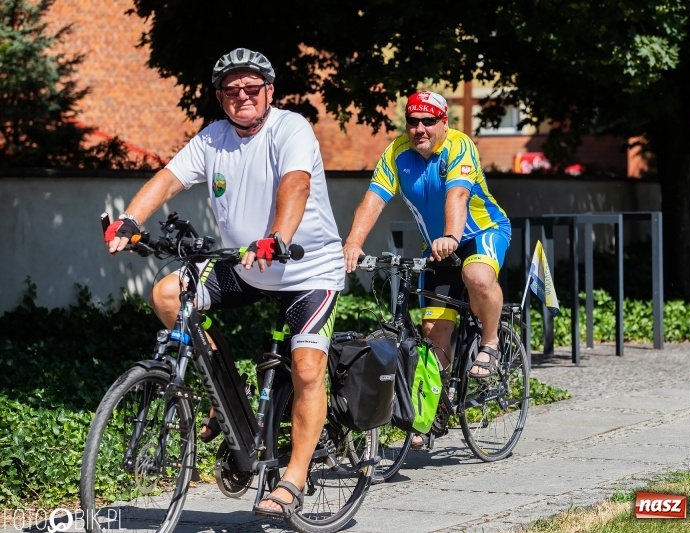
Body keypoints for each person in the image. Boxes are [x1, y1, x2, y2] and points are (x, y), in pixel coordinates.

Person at [104, 47, 344, 519]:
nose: (242, 96)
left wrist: (278, 237)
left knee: (308, 368)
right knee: (167, 293)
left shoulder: (290, 128)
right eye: (232, 90)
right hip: (245, 263)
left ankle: (293, 478)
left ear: (269, 91)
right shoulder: (213, 139)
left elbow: (295, 185)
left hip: (306, 266)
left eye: (252, 88)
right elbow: (169, 180)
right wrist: (129, 220)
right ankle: (224, 396)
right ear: (220, 97)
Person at [342, 90, 512, 447]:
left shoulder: (459, 145)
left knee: (477, 276)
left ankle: (492, 340)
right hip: (438, 247)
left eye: (428, 121)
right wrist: (353, 244)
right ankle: (435, 406)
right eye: (413, 121)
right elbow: (373, 199)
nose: (420, 128)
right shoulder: (397, 152)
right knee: (434, 331)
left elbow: (458, 196)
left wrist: (451, 235)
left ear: (443, 122)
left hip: (480, 232)